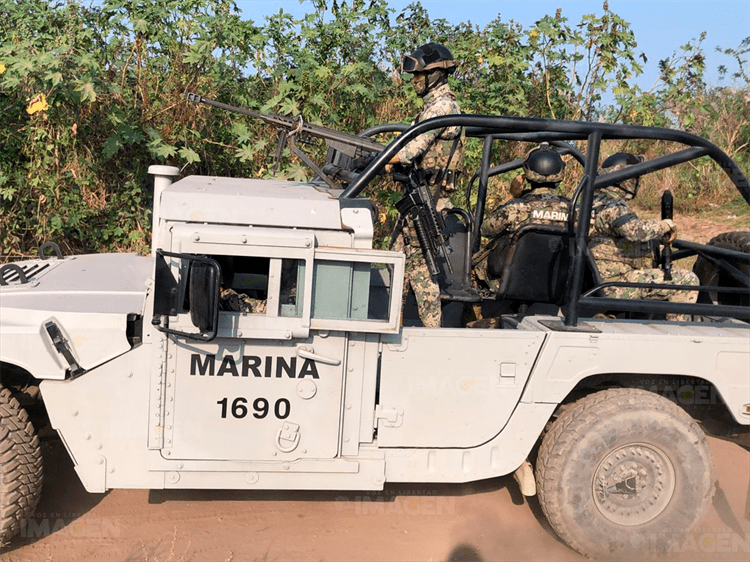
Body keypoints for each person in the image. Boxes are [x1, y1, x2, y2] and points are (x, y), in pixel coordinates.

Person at [387, 42, 463, 328]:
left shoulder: (442, 107)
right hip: (416, 200)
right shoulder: (433, 107)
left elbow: (410, 151)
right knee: (398, 265)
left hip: (427, 202)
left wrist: (386, 160)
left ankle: (433, 336)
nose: (414, 81)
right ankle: (392, 326)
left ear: (435, 75)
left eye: (419, 75)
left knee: (421, 272)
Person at [590, 152, 699, 320]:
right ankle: (679, 334)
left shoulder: (594, 202)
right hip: (616, 285)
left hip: (601, 281)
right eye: (634, 179)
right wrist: (664, 226)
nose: (637, 184)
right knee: (687, 280)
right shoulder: (613, 207)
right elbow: (634, 230)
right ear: (624, 180)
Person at [473, 144, 572, 294]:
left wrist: (511, 196)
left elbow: (486, 229)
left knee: (475, 264)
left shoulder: (515, 208)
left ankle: (475, 312)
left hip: (511, 282)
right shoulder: (574, 210)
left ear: (527, 173)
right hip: (557, 284)